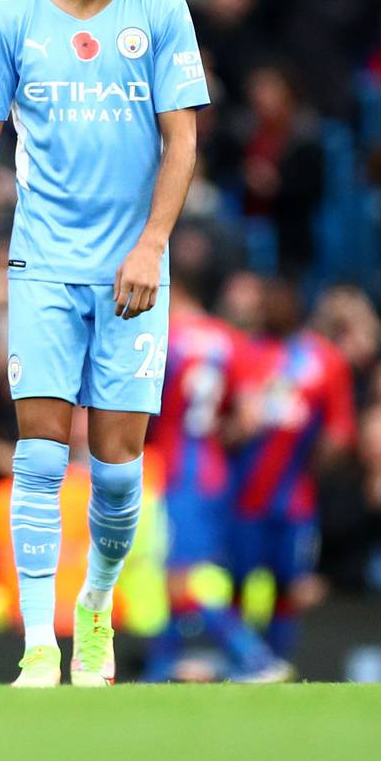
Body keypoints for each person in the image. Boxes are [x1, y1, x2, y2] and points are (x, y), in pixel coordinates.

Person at [0, 0, 209, 687]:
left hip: (133, 270)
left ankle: (95, 603)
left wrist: (150, 246)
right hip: (45, 263)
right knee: (37, 458)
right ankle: (37, 643)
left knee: (120, 472)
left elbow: (184, 141)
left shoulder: (161, 10)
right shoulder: (11, 18)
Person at [144, 270, 287, 682]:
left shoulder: (162, 336)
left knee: (180, 576)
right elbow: (252, 416)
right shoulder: (229, 341)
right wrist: (219, 434)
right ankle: (161, 665)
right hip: (212, 467)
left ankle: (253, 655)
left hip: (178, 469)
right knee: (178, 572)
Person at [223, 277, 355, 663]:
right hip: (245, 496)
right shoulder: (244, 353)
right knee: (237, 583)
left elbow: (340, 432)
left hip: (294, 498)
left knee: (288, 587)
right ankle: (245, 664)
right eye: (270, 301)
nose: (275, 308)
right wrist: (240, 431)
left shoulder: (324, 359)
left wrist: (312, 464)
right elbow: (223, 426)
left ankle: (277, 662)